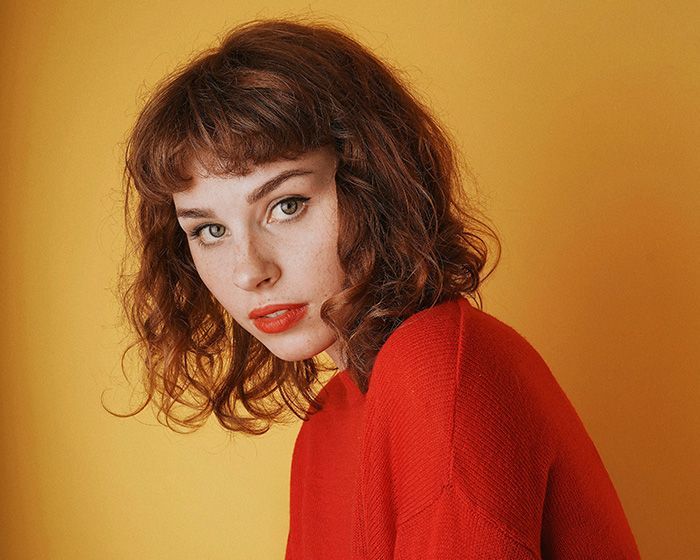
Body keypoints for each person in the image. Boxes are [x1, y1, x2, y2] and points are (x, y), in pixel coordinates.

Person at [118, 18, 641, 559]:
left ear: (376, 184)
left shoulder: (439, 365)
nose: (249, 270)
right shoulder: (328, 424)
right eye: (209, 230)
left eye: (287, 205)